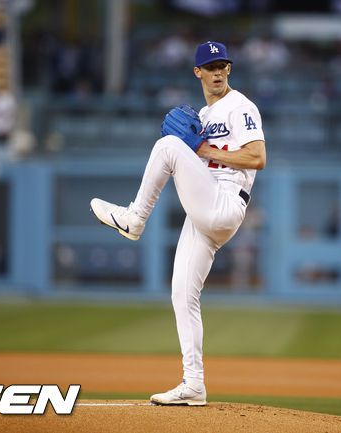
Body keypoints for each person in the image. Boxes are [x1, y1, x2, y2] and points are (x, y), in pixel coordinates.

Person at [90, 41, 266, 406]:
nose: (217, 72)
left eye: (222, 65)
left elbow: (257, 157)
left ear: (229, 70)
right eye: (210, 66)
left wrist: (202, 150)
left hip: (226, 202)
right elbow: (200, 164)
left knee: (168, 146)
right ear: (197, 72)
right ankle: (194, 384)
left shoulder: (240, 106)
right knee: (182, 294)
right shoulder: (203, 113)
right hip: (206, 206)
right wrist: (199, 155)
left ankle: (134, 219)